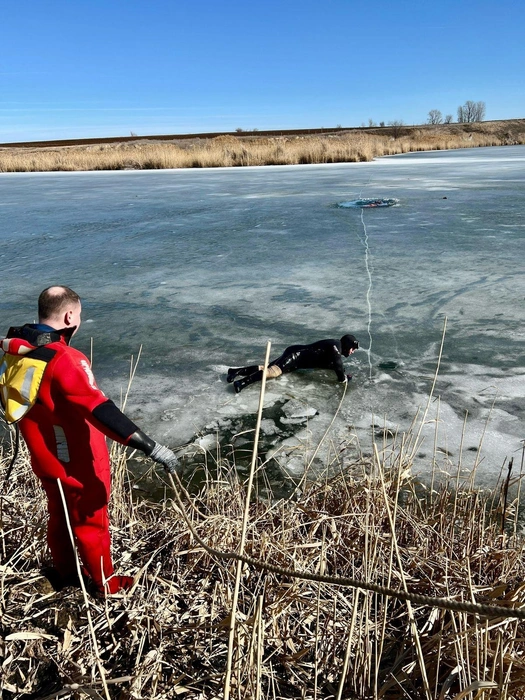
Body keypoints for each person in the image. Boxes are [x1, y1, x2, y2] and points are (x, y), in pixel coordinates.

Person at [0, 286, 180, 596]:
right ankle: (105, 585)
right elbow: (100, 410)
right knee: (90, 519)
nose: (79, 321)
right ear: (70, 316)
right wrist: (153, 447)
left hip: (44, 456)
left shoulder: (15, 350)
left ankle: (68, 573)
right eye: (79, 316)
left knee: (59, 513)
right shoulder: (65, 359)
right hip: (76, 457)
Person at [227, 334, 359, 393]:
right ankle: (242, 383)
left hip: (296, 358)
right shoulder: (335, 346)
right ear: (347, 345)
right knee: (273, 372)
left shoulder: (335, 351)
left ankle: (235, 371)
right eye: (353, 348)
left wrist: (344, 375)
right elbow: (338, 364)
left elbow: (335, 366)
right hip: (295, 355)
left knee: (266, 368)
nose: (352, 352)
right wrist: (343, 380)